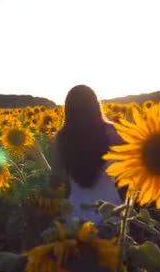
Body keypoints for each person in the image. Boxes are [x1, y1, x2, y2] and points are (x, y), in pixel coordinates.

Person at [49, 85, 125, 225]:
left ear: (68, 110)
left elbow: (55, 181)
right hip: (110, 212)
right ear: (96, 105)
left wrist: (38, 157)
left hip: (76, 216)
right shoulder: (112, 132)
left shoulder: (61, 138)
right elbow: (133, 167)